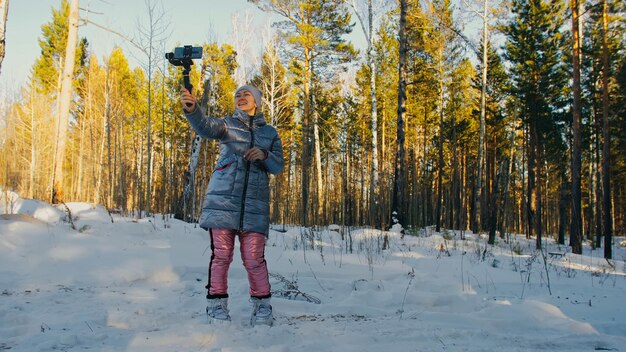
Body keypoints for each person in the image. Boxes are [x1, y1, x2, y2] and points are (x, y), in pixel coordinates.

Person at [181, 84, 284, 326]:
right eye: (237, 94)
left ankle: (262, 308)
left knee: (254, 258)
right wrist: (193, 109)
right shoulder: (227, 124)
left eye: (246, 94)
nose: (240, 97)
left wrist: (265, 156)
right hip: (222, 199)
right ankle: (216, 306)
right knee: (222, 256)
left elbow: (278, 166)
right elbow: (204, 127)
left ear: (257, 101)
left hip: (254, 205)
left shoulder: (269, 133)